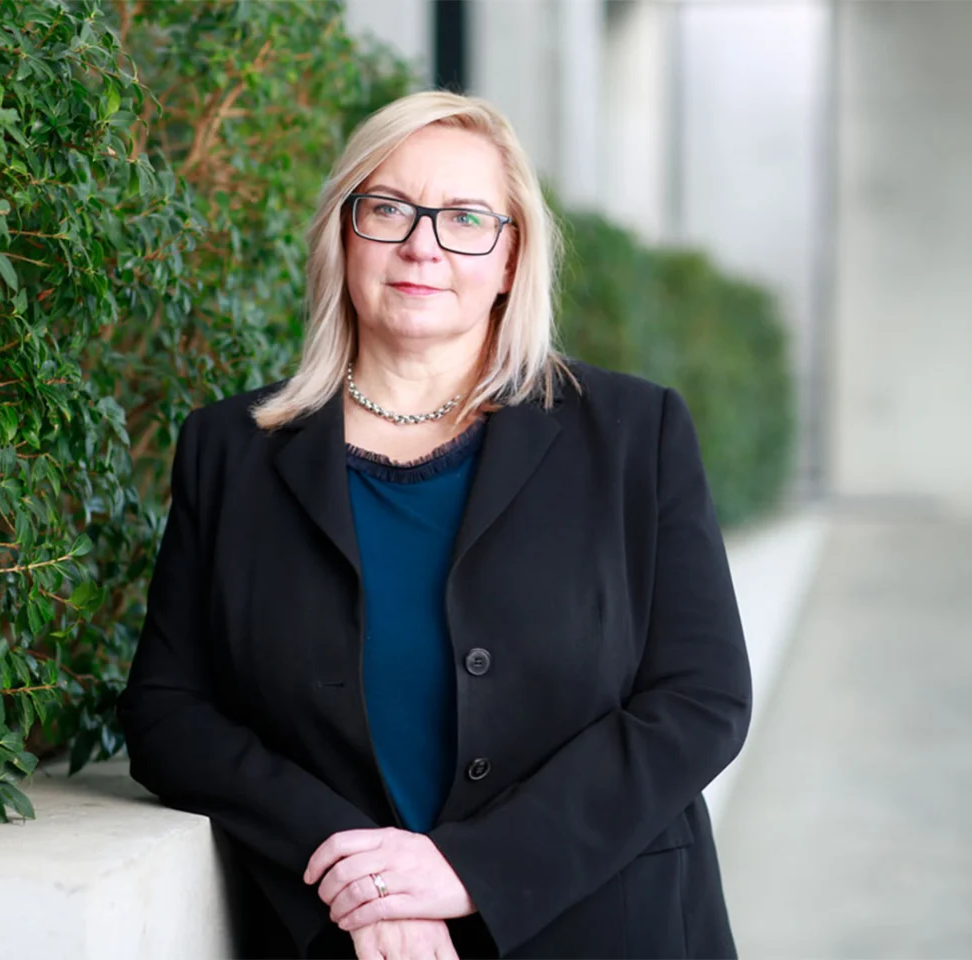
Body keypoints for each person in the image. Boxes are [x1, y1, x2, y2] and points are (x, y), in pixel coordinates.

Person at [116, 90, 752, 960]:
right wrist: (360, 876)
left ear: (511, 255)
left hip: (611, 925)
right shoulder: (231, 450)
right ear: (344, 233)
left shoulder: (634, 434)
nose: (422, 244)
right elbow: (167, 712)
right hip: (346, 941)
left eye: (463, 217)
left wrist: (471, 871)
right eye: (388, 209)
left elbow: (700, 701)